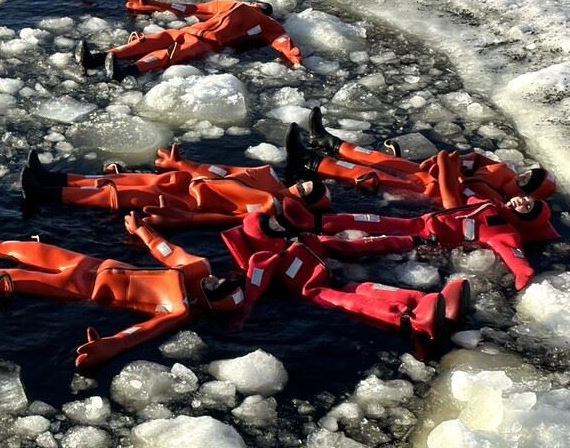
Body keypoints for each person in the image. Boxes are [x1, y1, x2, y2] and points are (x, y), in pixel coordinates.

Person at [0, 208, 246, 369]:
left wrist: (106, 348)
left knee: (12, 277)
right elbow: (167, 252)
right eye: (227, 279)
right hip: (90, 264)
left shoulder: (178, 310)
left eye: (219, 289)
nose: (217, 280)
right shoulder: (197, 268)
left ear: (211, 303)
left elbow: (140, 332)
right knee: (31, 250)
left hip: (80, 288)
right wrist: (142, 231)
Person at [220, 203, 471, 345]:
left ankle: (427, 302)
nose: (278, 224)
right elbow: (255, 287)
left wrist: (411, 240)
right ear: (262, 234)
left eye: (275, 221)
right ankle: (411, 320)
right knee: (352, 302)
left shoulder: (303, 242)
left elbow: (354, 247)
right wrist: (241, 317)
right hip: (317, 293)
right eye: (270, 225)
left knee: (370, 289)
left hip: (336, 280)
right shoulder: (265, 259)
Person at [286, 107, 557, 207]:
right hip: (431, 174)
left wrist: (448, 173)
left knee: (374, 175)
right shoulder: (504, 173)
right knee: (383, 160)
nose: (524, 176)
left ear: (532, 193)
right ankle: (326, 141)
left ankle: (310, 161)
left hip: (429, 192)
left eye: (529, 181)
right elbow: (475, 160)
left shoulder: (500, 204)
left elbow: (456, 204)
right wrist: (454, 163)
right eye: (529, 172)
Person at [290, 193, 558, 291]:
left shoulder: (504, 232)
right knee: (367, 219)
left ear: (528, 219)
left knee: (375, 243)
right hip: (419, 222)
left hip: (424, 239)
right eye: (526, 198)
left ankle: (318, 247)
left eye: (527, 207)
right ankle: (313, 221)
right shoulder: (491, 203)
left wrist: (526, 281)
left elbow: (517, 261)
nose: (522, 201)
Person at [21, 150, 330, 228]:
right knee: (129, 180)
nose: (301, 184)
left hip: (190, 204)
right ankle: (53, 178)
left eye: (306, 190)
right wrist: (180, 164)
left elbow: (224, 220)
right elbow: (222, 171)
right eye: (305, 183)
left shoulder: (269, 207)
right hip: (188, 183)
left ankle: (42, 193)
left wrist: (174, 219)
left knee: (125, 195)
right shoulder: (267, 177)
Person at [75, 0, 304, 80]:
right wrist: (153, 4)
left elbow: (281, 41)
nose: (256, 5)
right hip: (189, 32)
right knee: (150, 41)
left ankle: (125, 71)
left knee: (168, 54)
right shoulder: (231, 4)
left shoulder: (266, 23)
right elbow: (192, 8)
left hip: (205, 41)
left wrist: (294, 58)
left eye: (260, 5)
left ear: (263, 8)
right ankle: (98, 57)